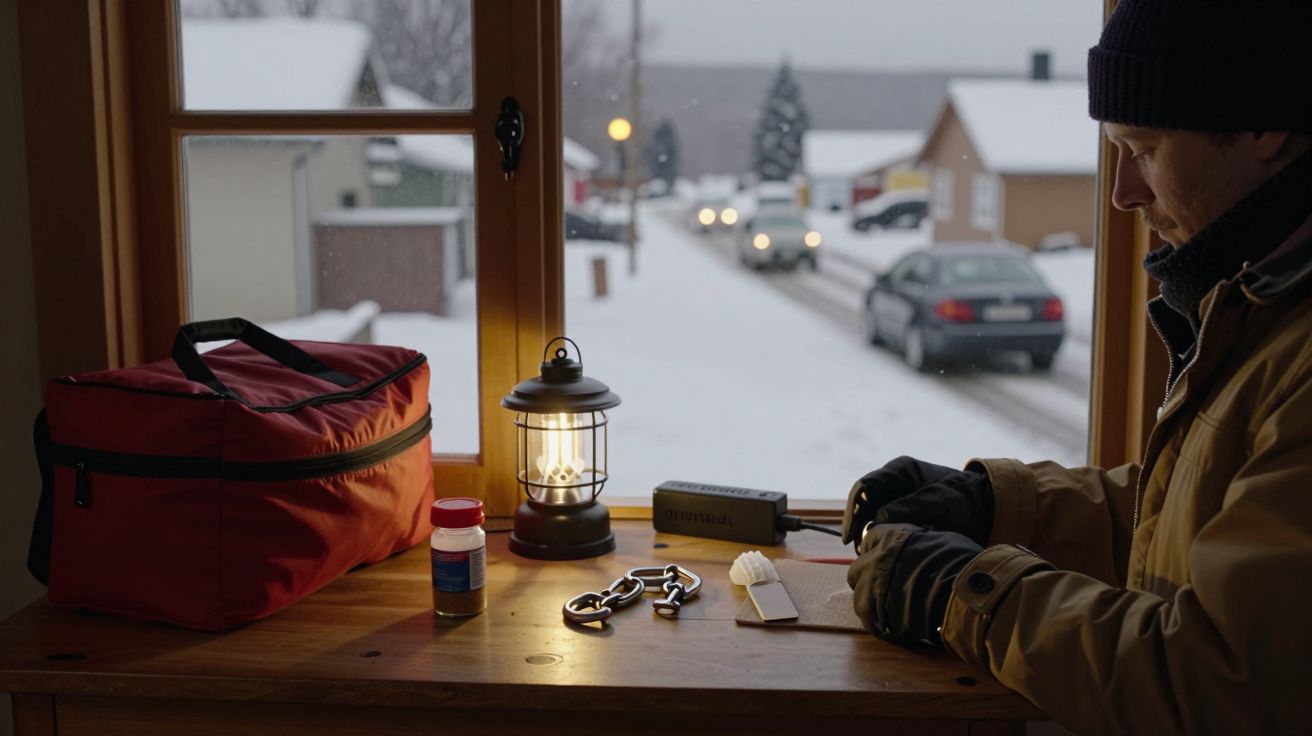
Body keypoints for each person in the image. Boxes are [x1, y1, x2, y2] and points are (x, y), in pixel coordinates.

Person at [843, 1, 1312, 733]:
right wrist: (996, 503)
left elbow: (1223, 681)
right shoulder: (1262, 304)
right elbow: (1193, 521)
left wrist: (957, 596)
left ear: (1260, 127)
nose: (1124, 192)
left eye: (1145, 147)